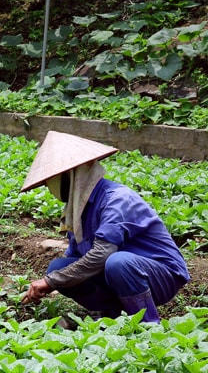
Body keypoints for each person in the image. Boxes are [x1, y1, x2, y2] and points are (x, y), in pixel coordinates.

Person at [20, 131, 189, 324]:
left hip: (160, 274)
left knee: (117, 262)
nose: (49, 188)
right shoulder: (78, 209)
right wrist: (53, 279)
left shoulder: (116, 199)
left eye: (50, 181)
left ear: (71, 174)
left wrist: (51, 282)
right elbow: (75, 258)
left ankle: (146, 326)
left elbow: (102, 254)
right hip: (118, 272)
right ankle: (111, 318)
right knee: (58, 268)